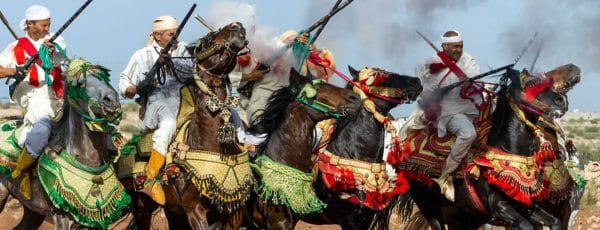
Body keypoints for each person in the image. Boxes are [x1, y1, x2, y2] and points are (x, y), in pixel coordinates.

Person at [119, 15, 193, 205]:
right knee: (167, 124)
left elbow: (192, 72)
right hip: (156, 101)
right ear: (158, 36)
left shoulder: (184, 50)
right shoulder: (141, 55)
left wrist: (169, 63)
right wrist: (138, 88)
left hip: (185, 98)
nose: (175, 38)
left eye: (177, 34)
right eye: (171, 34)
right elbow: (124, 85)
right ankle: (151, 178)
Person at [0, 5, 67, 200]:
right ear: (30, 24)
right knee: (43, 127)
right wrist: (14, 71)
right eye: (44, 25)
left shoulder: (55, 40)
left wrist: (53, 50)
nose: (47, 29)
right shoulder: (15, 48)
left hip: (61, 95)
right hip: (35, 98)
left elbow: (61, 57)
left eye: (49, 25)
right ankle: (22, 171)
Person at [416, 30, 481, 202]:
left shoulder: (469, 60)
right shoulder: (430, 64)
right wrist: (435, 92)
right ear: (444, 46)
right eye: (455, 47)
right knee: (469, 134)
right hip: (449, 111)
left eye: (461, 46)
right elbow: (424, 90)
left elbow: (475, 80)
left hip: (473, 107)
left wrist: (467, 82)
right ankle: (445, 176)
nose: (459, 50)